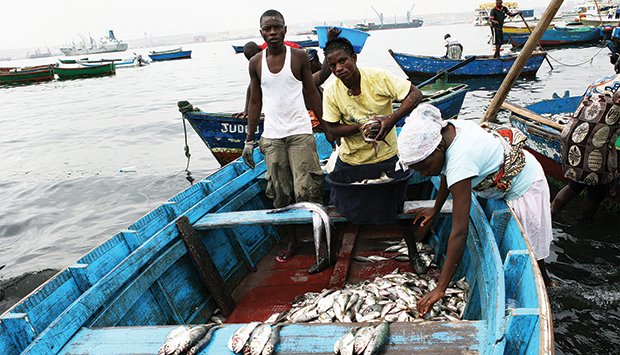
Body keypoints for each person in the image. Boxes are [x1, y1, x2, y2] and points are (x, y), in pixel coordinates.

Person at [397, 104, 554, 317]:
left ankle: (546, 285)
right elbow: (445, 172)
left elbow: (459, 232)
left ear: (438, 147)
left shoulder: (460, 161)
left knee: (534, 250)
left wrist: (441, 288)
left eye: (424, 166)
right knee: (530, 250)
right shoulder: (448, 130)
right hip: (500, 182)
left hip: (525, 187)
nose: (424, 174)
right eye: (418, 169)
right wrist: (436, 209)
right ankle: (545, 281)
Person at [321, 37, 425, 273]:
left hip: (385, 157)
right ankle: (329, 254)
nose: (339, 68)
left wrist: (389, 122)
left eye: (343, 61)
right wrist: (359, 128)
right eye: (333, 65)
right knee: (337, 206)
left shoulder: (378, 77)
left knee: (398, 208)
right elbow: (330, 130)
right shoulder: (332, 92)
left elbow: (415, 94)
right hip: (351, 159)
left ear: (354, 59)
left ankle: (413, 253)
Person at [242, 9, 325, 269]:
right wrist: (248, 140)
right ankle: (291, 240)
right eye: (268, 29)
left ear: (285, 30)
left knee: (307, 189)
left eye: (277, 27)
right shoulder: (255, 62)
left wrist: (328, 128)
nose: (273, 32)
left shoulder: (298, 56)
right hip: (273, 136)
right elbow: (255, 101)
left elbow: (312, 93)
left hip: (300, 132)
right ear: (262, 33)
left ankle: (320, 240)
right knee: (279, 192)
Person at [551, 91, 620, 221]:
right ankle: (583, 221)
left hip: (573, 143)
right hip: (593, 150)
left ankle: (552, 212)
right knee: (597, 191)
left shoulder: (599, 94)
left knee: (576, 184)